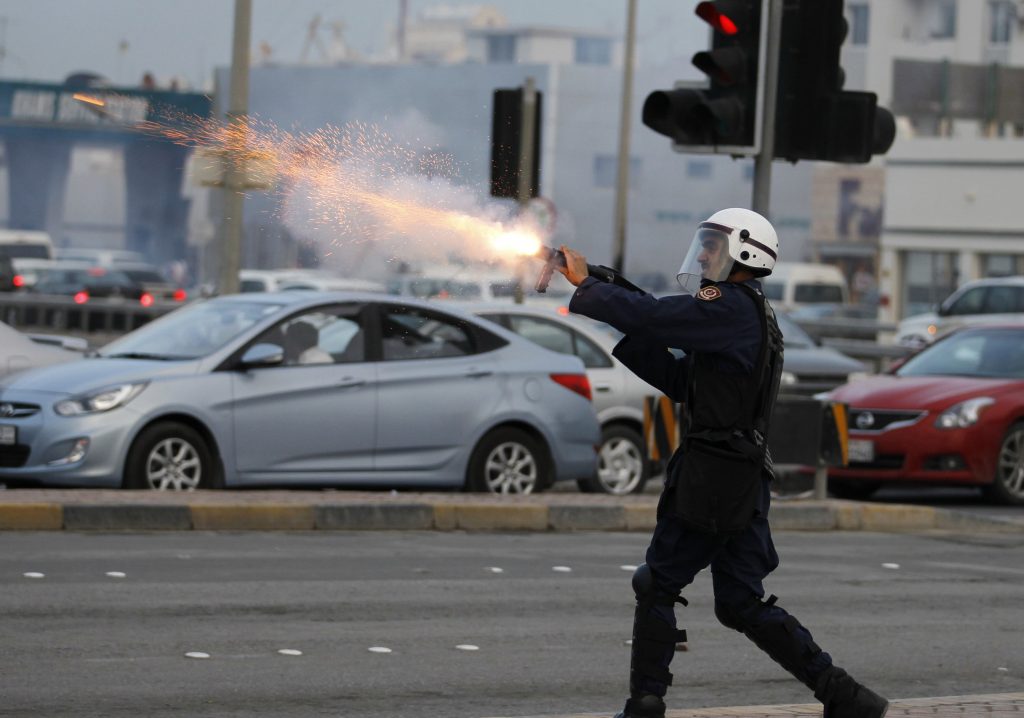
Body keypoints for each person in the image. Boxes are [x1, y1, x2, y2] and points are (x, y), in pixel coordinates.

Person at [555, 208, 889, 718]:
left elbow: (659, 317)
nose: (705, 254)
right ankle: (845, 697)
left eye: (714, 245)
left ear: (746, 253)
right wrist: (611, 292)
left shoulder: (729, 305)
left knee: (658, 582)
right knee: (739, 602)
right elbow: (680, 379)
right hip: (739, 476)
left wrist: (591, 289)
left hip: (715, 477)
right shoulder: (744, 312)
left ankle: (644, 706)